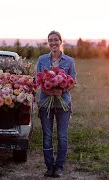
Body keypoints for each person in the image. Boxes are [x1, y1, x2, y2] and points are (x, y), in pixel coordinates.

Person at [36, 30, 77, 177]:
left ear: (60, 42)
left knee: (62, 135)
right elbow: (37, 80)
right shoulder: (41, 60)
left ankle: (59, 166)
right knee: (47, 135)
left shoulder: (69, 61)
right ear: (48, 43)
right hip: (45, 102)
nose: (53, 43)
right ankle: (49, 166)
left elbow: (73, 81)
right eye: (50, 40)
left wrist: (62, 90)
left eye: (55, 40)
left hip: (63, 102)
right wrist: (47, 90)